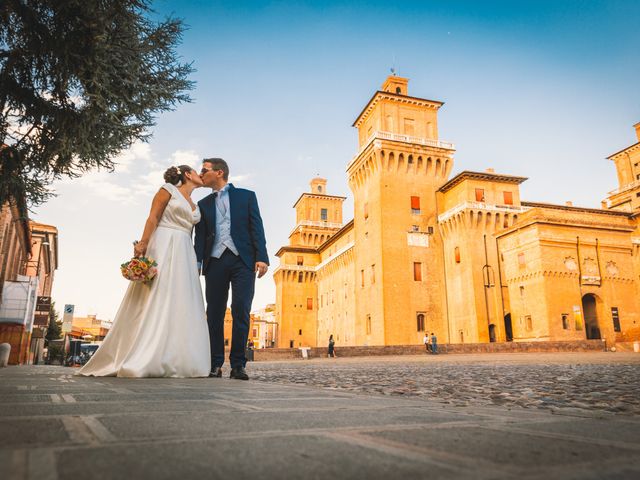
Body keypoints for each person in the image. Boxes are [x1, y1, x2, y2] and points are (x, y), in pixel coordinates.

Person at [78, 166, 210, 377]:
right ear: (187, 174)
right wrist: (143, 243)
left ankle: (177, 357)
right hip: (164, 243)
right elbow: (153, 217)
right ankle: (143, 353)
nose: (200, 175)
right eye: (197, 171)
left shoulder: (196, 206)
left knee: (181, 299)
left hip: (185, 249)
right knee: (156, 292)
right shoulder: (168, 189)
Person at [195, 158, 269, 380]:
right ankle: (214, 363)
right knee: (215, 313)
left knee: (241, 309)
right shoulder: (203, 204)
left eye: (204, 170)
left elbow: (257, 226)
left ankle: (238, 364)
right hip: (215, 261)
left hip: (243, 260)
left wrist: (262, 257)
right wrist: (197, 262)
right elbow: (200, 237)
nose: (201, 174)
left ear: (219, 172)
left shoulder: (246, 196)